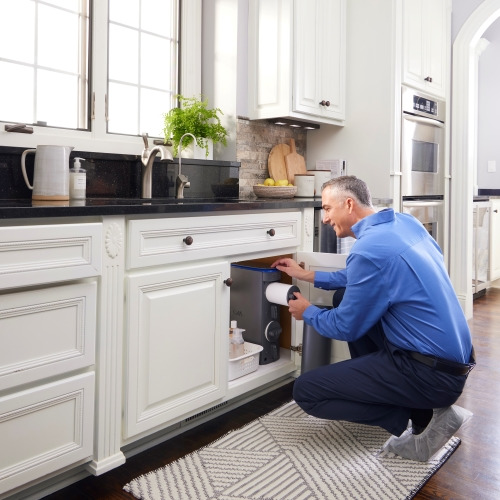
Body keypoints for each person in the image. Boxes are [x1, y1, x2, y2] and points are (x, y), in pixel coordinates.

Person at [271, 176, 475, 462]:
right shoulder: (404, 223)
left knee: (306, 391)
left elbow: (345, 326)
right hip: (454, 364)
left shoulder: (368, 250)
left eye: (328, 209)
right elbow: (363, 278)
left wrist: (308, 312)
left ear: (349, 204)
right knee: (344, 296)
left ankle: (420, 414)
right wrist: (308, 275)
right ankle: (408, 397)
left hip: (430, 376)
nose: (326, 218)